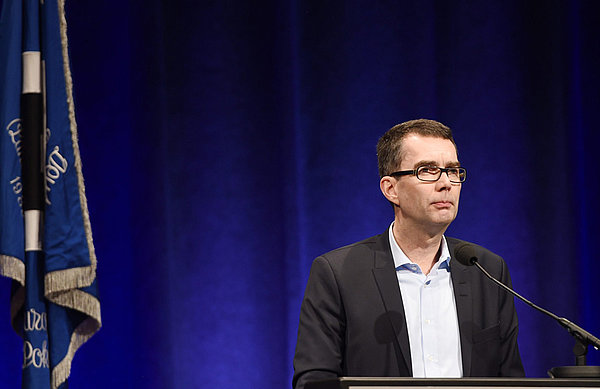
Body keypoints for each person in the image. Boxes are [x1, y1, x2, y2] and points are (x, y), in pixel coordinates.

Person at [292, 119, 524, 389]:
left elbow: (510, 380)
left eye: (452, 170)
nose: (446, 183)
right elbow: (314, 381)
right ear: (391, 189)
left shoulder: (487, 270)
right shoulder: (338, 273)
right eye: (427, 170)